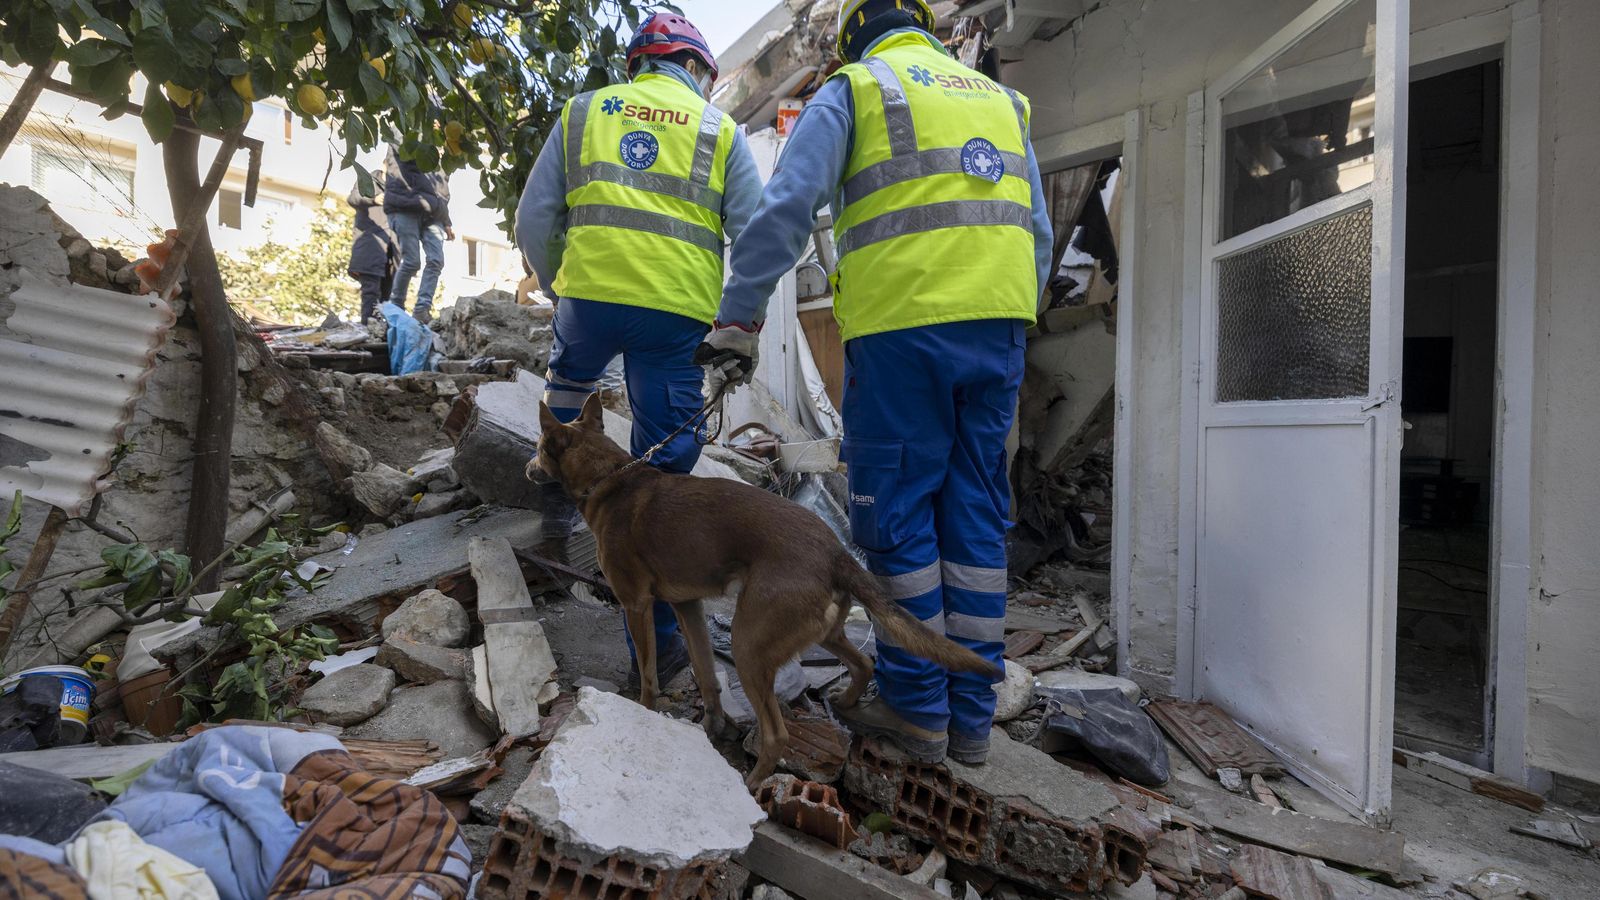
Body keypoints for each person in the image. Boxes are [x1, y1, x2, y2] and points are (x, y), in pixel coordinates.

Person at [696, 0, 1053, 765]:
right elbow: (1040, 236)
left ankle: (918, 713)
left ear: (856, 31)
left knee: (897, 517)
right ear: (923, 23)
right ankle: (972, 723)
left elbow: (789, 207)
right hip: (997, 333)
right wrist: (1006, 315)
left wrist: (738, 320)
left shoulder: (858, 88)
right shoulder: (1000, 100)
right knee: (978, 519)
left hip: (902, 334)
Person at [515, 12, 763, 688]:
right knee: (666, 462)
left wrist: (563, 280)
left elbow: (533, 220)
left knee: (562, 410)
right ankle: (658, 634)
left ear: (637, 67)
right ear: (701, 71)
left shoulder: (582, 113)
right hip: (673, 312)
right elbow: (761, 236)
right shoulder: (721, 131)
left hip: (588, 303)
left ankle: (556, 504)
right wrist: (739, 326)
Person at [383, 146, 453, 324]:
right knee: (412, 262)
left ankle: (422, 309)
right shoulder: (407, 129)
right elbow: (404, 146)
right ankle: (396, 308)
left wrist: (447, 221)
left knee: (436, 260)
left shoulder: (441, 153)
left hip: (433, 212)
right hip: (405, 205)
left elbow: (442, 189)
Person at [346, 184, 398, 324]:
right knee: (371, 293)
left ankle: (379, 331)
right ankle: (368, 329)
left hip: (391, 254)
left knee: (386, 298)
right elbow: (353, 198)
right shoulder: (369, 181)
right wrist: (373, 199)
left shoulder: (399, 186)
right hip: (370, 248)